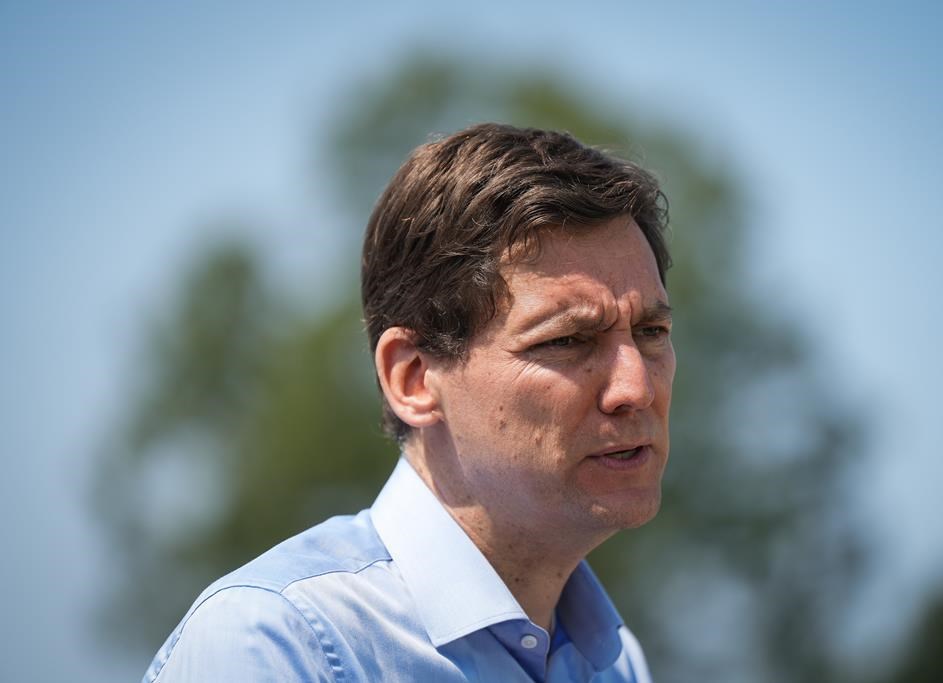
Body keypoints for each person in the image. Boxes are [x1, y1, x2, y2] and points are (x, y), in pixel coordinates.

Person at [142, 123, 675, 682]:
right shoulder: (278, 644)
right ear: (414, 379)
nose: (635, 388)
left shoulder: (617, 663)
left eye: (652, 332)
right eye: (566, 340)